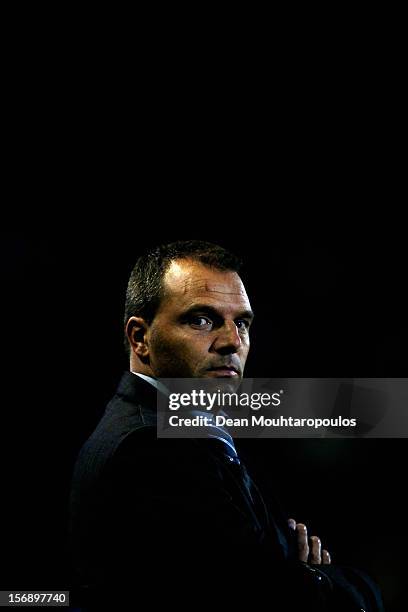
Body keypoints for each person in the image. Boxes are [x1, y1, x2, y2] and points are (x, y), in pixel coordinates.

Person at [70, 240, 384, 611]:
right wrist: (319, 581)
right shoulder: (151, 449)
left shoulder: (194, 429)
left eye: (242, 323)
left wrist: (294, 576)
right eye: (202, 320)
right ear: (140, 338)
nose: (232, 342)